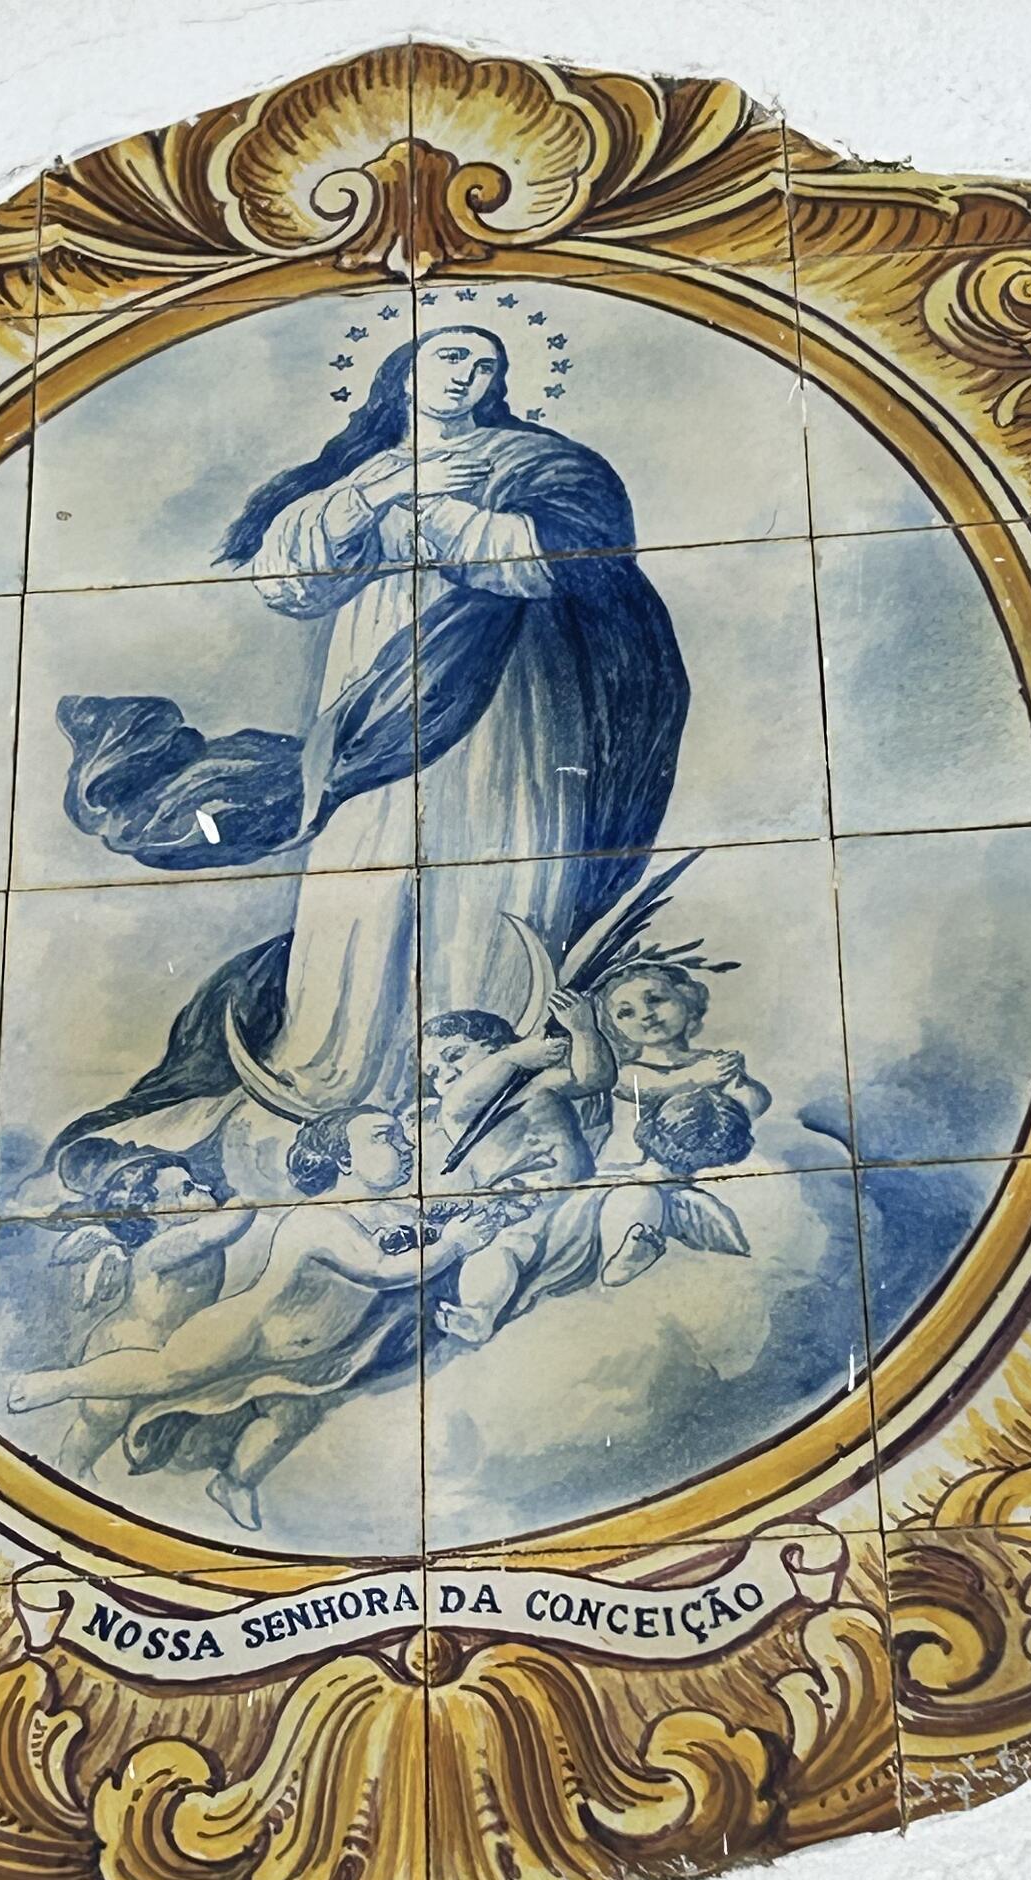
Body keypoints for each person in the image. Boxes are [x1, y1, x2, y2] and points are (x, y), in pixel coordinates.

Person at [44, 326, 688, 1178]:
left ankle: (495, 1065)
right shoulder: (366, 468)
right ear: (403, 373)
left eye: (486, 365)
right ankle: (340, 1069)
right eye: (450, 357)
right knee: (369, 858)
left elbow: (566, 564)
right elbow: (289, 582)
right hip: (374, 693)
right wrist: (374, 493)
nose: (468, 375)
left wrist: (443, 517)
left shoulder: (541, 463)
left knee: (497, 851)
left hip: (508, 692)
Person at [8, 1107, 525, 1529]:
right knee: (167, 1370)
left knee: (292, 1419)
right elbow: (381, 1270)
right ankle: (58, 1382)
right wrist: (455, 1245)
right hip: (242, 1334)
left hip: (302, 1357)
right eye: (384, 1137)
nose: (405, 1145)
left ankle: (234, 1481)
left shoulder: (386, 1210)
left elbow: (425, 1227)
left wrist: (481, 1216)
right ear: (344, 1159)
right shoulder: (319, 1219)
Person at [38, 1146, 252, 1481]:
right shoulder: (161, 1250)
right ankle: (71, 1474)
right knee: (97, 1428)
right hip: (118, 1352)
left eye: (195, 1183)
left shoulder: (193, 1231)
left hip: (165, 1356)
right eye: (186, 1189)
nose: (204, 1189)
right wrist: (253, 1188)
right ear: (154, 1211)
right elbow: (227, 1226)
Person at [423, 989, 616, 1345]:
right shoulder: (459, 1115)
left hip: (577, 1193)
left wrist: (584, 1030)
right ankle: (479, 1312)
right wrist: (514, 1057)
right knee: (498, 1253)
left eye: (455, 1056)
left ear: (495, 1047)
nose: (445, 1074)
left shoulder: (542, 1084)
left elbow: (595, 1079)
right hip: (516, 1209)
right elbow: (461, 1098)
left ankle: (632, 1252)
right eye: (433, 1072)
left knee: (627, 1199)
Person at [592, 959, 769, 1285]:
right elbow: (644, 1088)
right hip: (627, 1174)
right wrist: (697, 1078)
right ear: (615, 1028)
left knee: (716, 1217)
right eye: (626, 1012)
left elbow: (754, 1104)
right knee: (635, 1201)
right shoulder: (627, 1071)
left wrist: (738, 1081)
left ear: (688, 1002)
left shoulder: (708, 1063)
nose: (646, 1014)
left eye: (656, 999)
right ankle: (627, 1256)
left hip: (682, 1179)